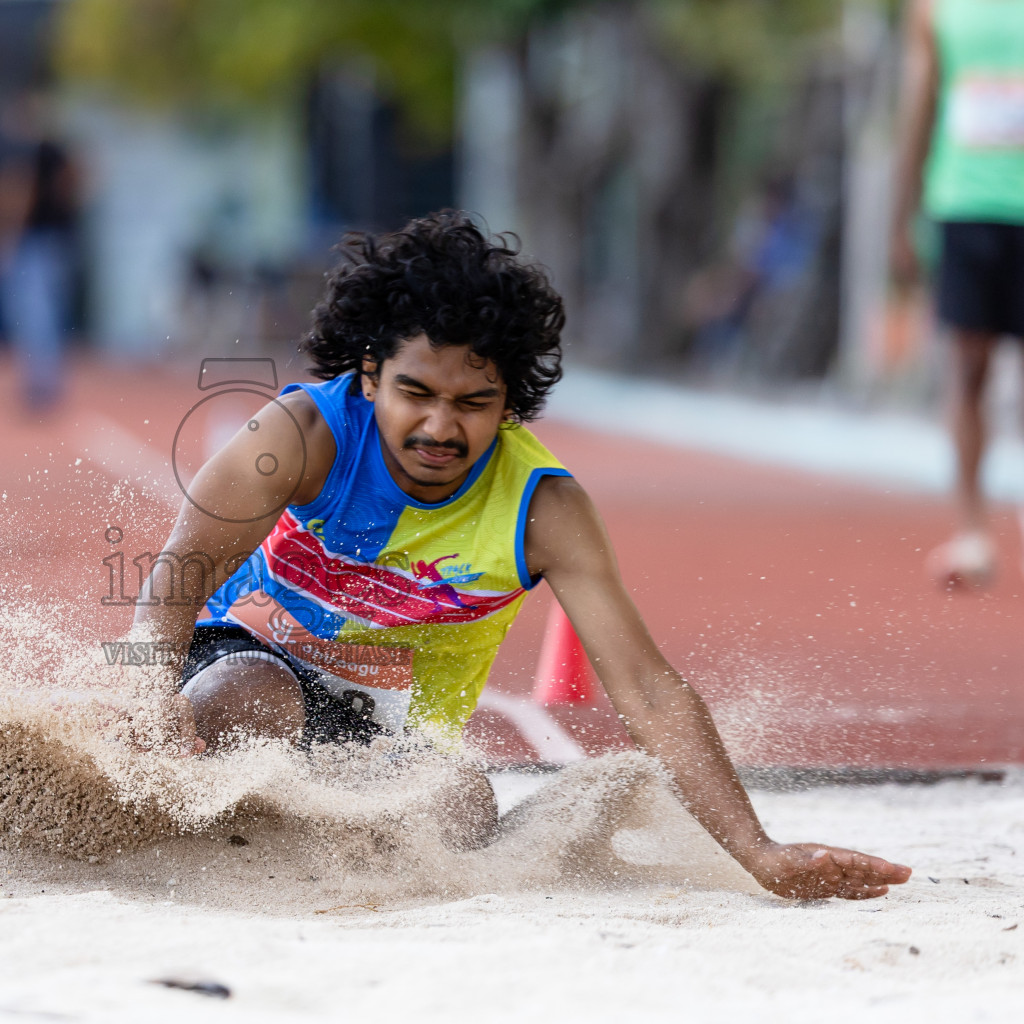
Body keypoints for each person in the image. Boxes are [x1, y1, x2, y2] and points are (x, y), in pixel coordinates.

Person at [135, 212, 912, 900]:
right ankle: (157, 818)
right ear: (369, 376)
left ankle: (282, 834)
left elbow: (646, 689)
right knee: (250, 694)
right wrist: (140, 704)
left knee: (462, 806)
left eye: (473, 404)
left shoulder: (545, 511)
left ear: (509, 403)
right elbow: (179, 572)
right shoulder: (301, 435)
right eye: (417, 394)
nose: (441, 428)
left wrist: (757, 852)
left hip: (380, 729)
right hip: (239, 653)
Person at [893, 0, 1024, 586]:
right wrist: (902, 216)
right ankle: (973, 532)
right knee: (969, 369)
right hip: (965, 205)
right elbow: (918, 106)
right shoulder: (931, 8)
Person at [0, 92, 80, 412]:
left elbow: (13, 194)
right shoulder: (57, 151)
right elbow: (77, 181)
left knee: (30, 313)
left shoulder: (24, 151)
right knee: (45, 312)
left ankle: (40, 384)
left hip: (28, 240)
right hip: (53, 238)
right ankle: (44, 381)